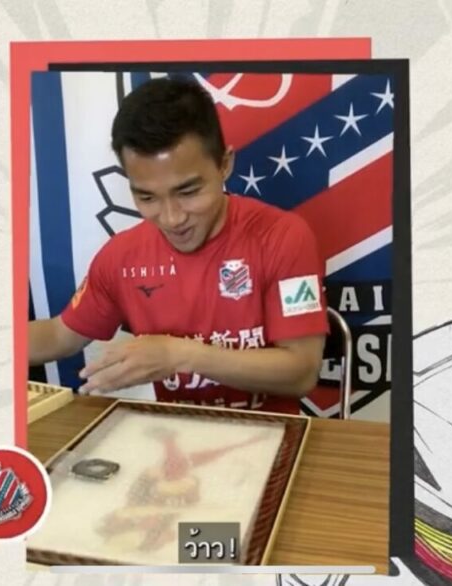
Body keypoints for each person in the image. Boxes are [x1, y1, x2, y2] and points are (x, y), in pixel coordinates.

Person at [28, 77, 328, 414]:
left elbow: (302, 372)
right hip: (171, 437)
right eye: (147, 197)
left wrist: (180, 355)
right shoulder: (122, 256)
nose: (172, 218)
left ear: (224, 164)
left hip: (275, 434)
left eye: (188, 192)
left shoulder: (283, 236)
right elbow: (58, 336)